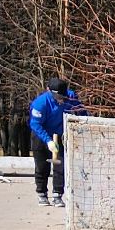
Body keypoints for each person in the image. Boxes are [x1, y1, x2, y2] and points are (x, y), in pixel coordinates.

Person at [29, 78, 85, 207]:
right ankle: (42, 194)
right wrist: (48, 141)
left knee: (60, 166)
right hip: (41, 135)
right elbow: (35, 124)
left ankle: (57, 195)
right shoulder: (40, 104)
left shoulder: (70, 98)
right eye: (58, 97)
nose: (61, 100)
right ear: (50, 91)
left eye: (63, 97)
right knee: (42, 167)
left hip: (59, 136)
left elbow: (81, 111)